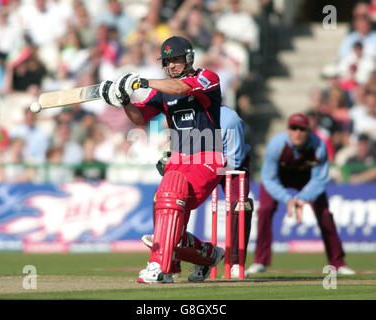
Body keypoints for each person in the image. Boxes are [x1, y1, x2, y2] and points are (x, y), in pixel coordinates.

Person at [100, 36, 226, 283]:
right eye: (168, 62)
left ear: (189, 58)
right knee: (166, 215)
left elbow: (182, 88)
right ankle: (208, 255)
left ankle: (159, 266)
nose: (172, 66)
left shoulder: (208, 78)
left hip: (207, 157)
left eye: (176, 60)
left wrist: (143, 82)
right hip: (178, 159)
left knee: (169, 200)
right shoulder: (163, 91)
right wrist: (124, 100)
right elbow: (139, 118)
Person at [141, 105, 254, 279]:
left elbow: (234, 160)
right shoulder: (184, 114)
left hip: (231, 165)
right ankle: (170, 260)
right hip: (200, 162)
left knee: (239, 205)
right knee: (165, 195)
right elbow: (184, 151)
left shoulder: (229, 118)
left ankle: (234, 264)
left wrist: (207, 169)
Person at [247, 113, 356, 275]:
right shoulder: (276, 145)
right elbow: (269, 179)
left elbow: (320, 179)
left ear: (309, 131)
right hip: (279, 179)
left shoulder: (318, 146)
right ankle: (260, 261)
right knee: (265, 209)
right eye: (293, 128)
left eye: (302, 129)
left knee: (324, 214)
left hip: (307, 180)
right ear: (287, 130)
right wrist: (288, 199)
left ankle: (338, 262)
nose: (298, 132)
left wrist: (302, 198)